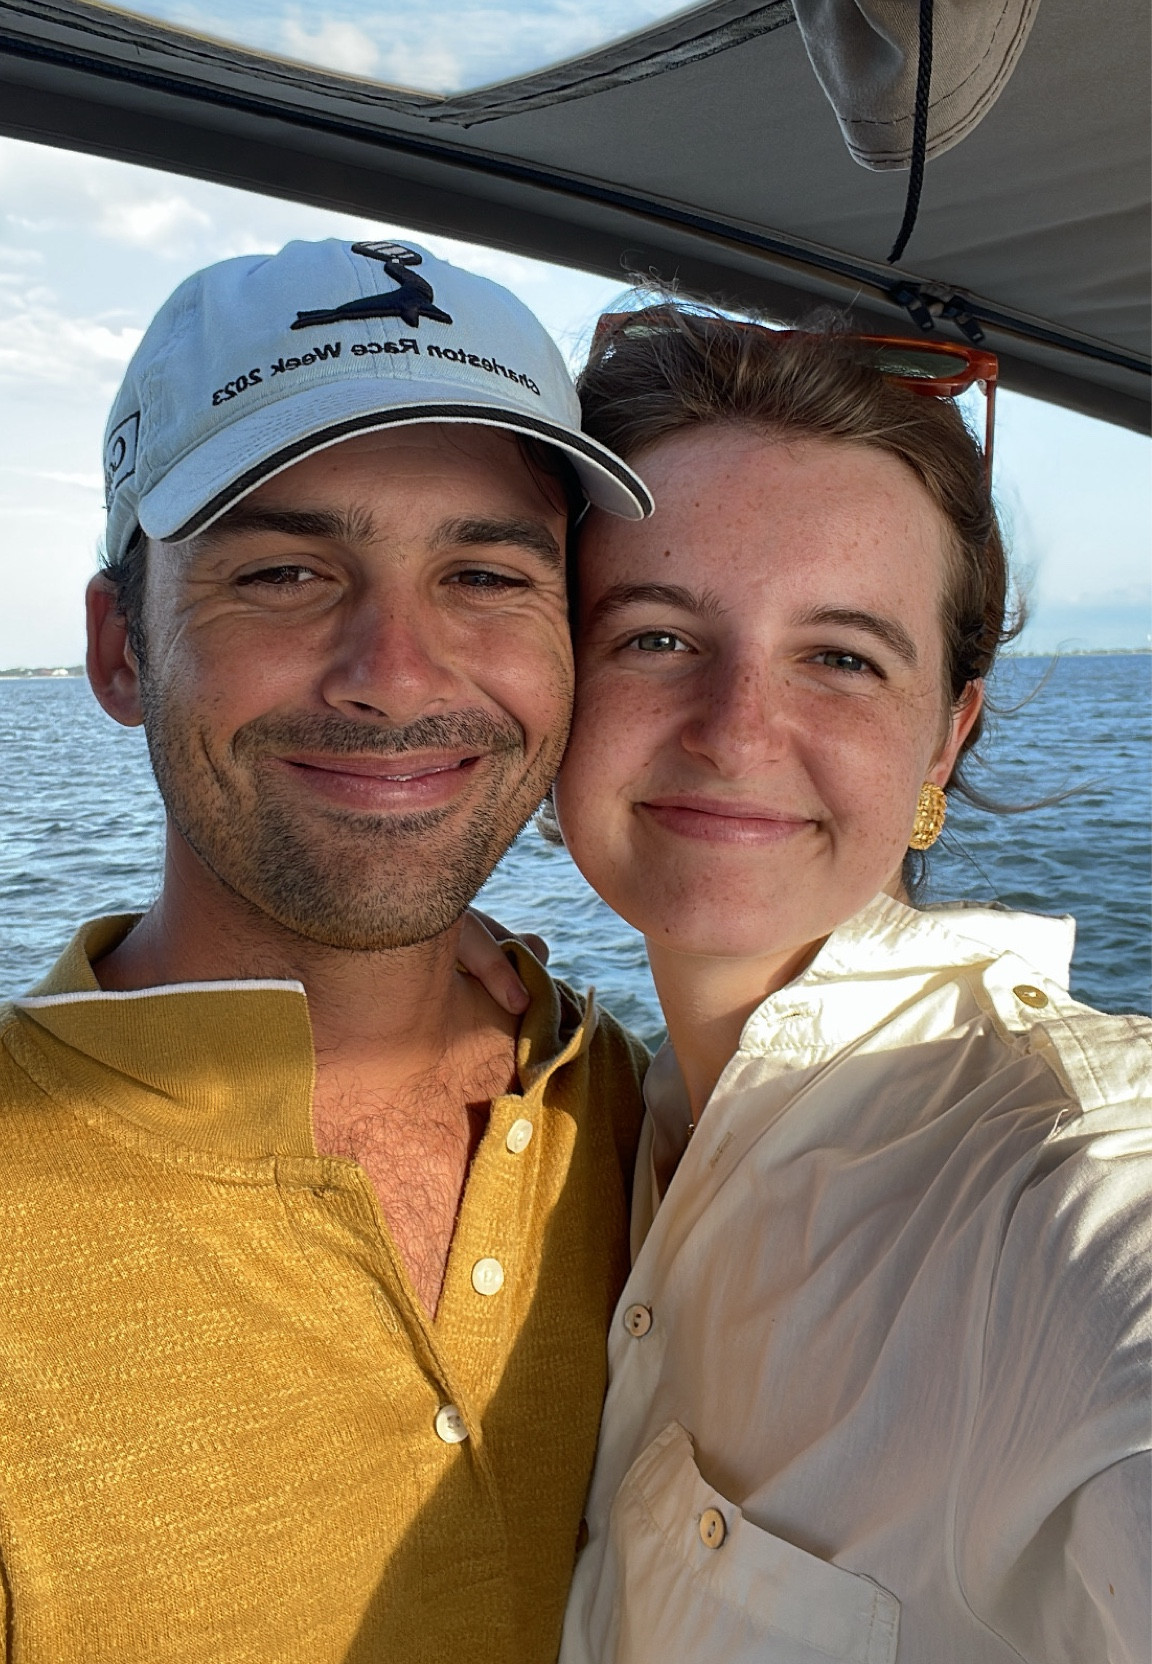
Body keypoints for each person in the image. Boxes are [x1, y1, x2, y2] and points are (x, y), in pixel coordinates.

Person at [0, 237, 656, 1663]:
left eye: (485, 573)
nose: (398, 673)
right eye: (288, 572)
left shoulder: (636, 1111)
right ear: (122, 652)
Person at [551, 309, 1152, 1663]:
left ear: (947, 736)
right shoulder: (589, 1119)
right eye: (653, 635)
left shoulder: (1060, 1183)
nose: (738, 728)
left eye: (842, 657)